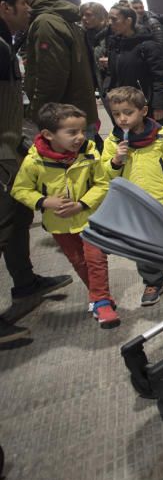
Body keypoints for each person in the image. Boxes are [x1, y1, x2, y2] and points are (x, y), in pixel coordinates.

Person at [0, 0, 73, 343]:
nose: (26, 8)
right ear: (4, 8)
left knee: (16, 219)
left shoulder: (20, 37)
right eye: (19, 4)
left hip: (10, 146)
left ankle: (26, 283)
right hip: (5, 148)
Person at [11, 103, 118, 328]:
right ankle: (100, 296)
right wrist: (44, 201)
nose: (80, 137)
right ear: (48, 135)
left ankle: (100, 301)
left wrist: (82, 204)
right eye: (72, 132)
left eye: (82, 130)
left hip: (90, 219)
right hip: (59, 224)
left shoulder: (89, 152)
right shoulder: (34, 160)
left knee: (95, 259)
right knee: (78, 261)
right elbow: (20, 190)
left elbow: (102, 183)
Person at [101, 86, 163, 306]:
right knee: (141, 245)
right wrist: (115, 161)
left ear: (143, 111)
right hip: (133, 204)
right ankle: (153, 281)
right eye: (116, 114)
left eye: (128, 112)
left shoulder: (160, 136)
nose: (122, 118)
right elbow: (104, 173)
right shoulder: (113, 142)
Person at [0, 0, 99, 136]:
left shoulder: (45, 21)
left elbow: (51, 78)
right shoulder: (57, 15)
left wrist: (35, 114)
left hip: (64, 122)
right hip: (71, 115)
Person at [104, 5, 163, 125]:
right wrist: (106, 91)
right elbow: (111, 73)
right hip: (120, 104)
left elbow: (160, 77)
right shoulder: (115, 45)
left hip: (144, 106)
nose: (110, 23)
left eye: (114, 19)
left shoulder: (148, 45)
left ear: (128, 21)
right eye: (109, 19)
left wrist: (158, 105)